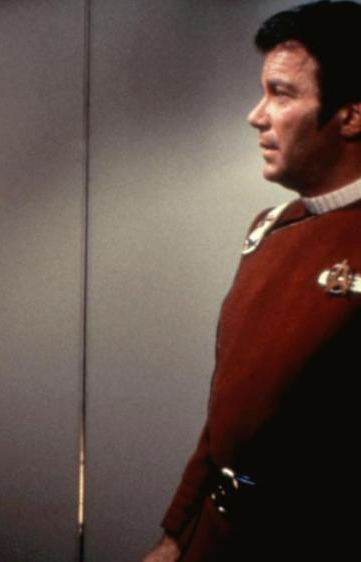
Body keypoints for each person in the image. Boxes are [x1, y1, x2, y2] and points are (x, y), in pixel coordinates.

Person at [142, 2, 361, 561]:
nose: (256, 115)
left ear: (351, 116)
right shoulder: (269, 228)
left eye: (281, 94)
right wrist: (175, 535)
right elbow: (227, 420)